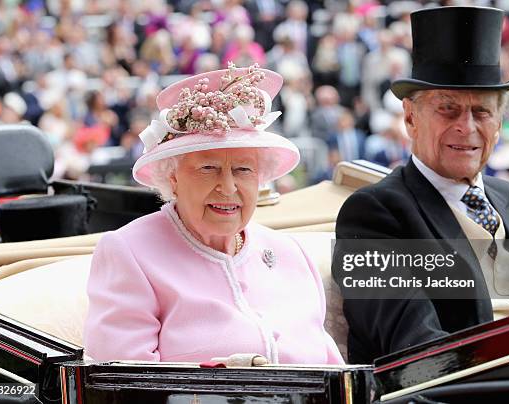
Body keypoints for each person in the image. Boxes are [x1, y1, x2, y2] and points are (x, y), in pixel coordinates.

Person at [334, 6, 509, 364]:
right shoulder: (372, 213)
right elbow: (416, 350)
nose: (466, 127)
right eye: (448, 109)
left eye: (481, 112)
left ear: (498, 123)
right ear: (410, 117)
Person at [84, 64, 344, 365]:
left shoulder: (291, 253)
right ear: (173, 178)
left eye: (243, 169)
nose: (229, 187)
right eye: (208, 168)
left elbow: (334, 373)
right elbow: (121, 388)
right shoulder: (130, 253)